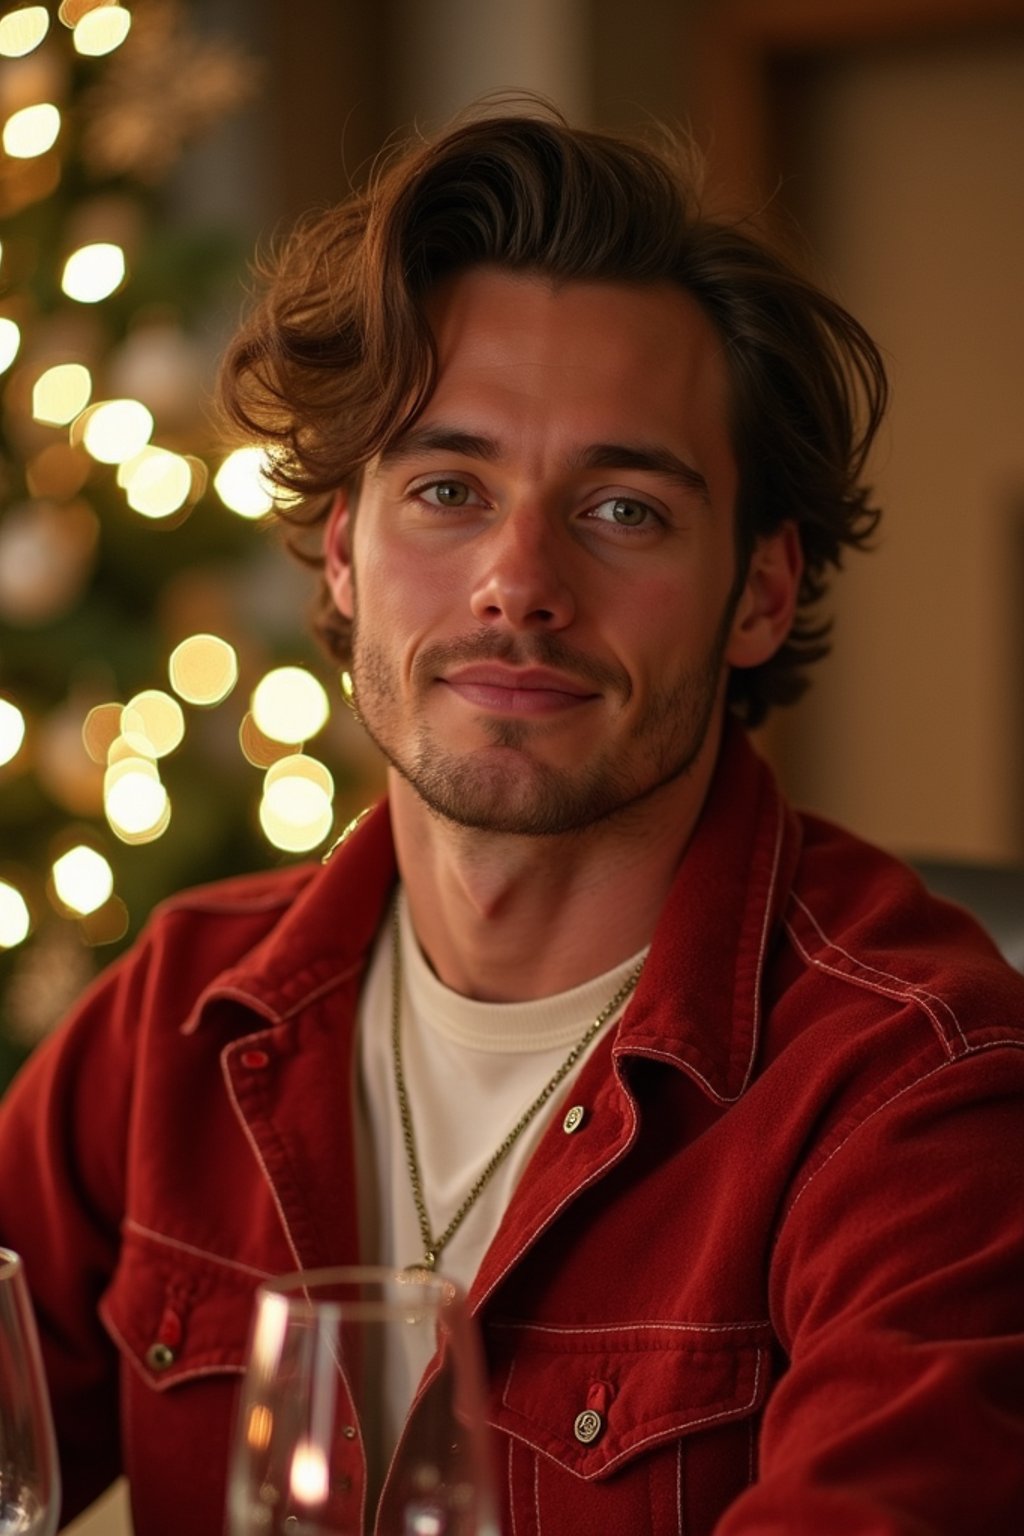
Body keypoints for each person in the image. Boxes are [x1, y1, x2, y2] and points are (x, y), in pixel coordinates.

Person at [2, 104, 1023, 1536]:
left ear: (766, 591)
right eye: (445, 489)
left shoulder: (923, 1091)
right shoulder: (175, 1020)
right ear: (345, 550)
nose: (517, 581)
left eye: (623, 511)